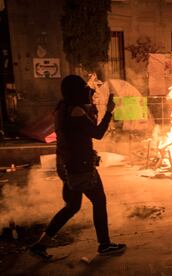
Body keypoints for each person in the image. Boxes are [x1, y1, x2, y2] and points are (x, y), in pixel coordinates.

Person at [30, 75, 126, 260]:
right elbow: (97, 133)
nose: (87, 91)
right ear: (75, 91)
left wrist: (93, 107)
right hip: (79, 167)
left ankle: (40, 245)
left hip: (66, 164)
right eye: (83, 88)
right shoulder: (75, 111)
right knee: (99, 201)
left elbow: (80, 130)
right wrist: (108, 112)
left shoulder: (62, 107)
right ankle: (104, 245)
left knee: (72, 206)